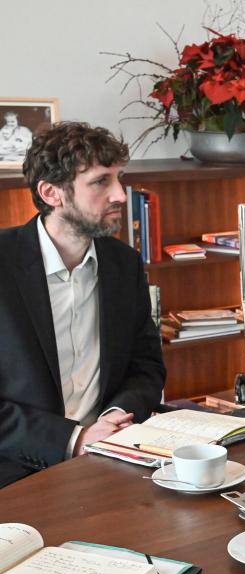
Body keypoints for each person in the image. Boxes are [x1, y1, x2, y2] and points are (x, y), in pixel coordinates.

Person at [0, 122, 166, 488]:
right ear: (51, 193)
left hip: (114, 455)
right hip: (16, 469)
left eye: (119, 179)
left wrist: (115, 416)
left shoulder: (123, 263)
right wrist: (74, 440)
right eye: (100, 182)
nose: (121, 195)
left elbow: (147, 365)